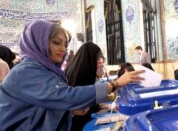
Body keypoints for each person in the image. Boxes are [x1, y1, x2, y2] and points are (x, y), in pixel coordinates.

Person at [0, 19, 144, 131]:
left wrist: (69, 112)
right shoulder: (26, 72)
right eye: (57, 43)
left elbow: (41, 106)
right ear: (39, 43)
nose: (63, 49)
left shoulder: (46, 71)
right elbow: (66, 96)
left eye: (65, 45)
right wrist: (115, 84)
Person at [64, 42, 106, 131]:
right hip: (80, 119)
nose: (98, 61)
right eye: (96, 57)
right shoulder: (83, 73)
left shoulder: (73, 68)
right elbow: (85, 97)